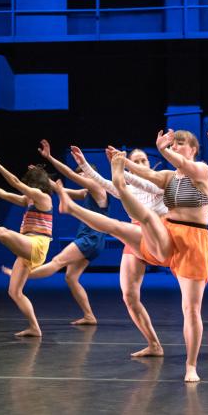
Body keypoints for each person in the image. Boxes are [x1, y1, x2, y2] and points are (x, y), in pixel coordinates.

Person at [53, 130, 208, 382]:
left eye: (182, 144)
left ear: (193, 149)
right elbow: (147, 175)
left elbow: (179, 164)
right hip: (167, 232)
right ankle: (71, 207)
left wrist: (163, 150)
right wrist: (120, 161)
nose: (177, 147)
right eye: (175, 143)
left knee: (191, 309)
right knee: (131, 222)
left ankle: (190, 365)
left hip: (193, 241)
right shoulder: (168, 176)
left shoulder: (202, 170)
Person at [71, 146, 165, 357]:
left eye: (144, 161)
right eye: (136, 161)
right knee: (129, 296)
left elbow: (136, 183)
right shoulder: (127, 189)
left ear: (149, 164)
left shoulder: (159, 182)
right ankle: (154, 345)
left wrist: (123, 168)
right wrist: (84, 164)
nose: (141, 164)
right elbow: (105, 184)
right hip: (137, 239)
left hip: (162, 241)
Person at [29, 139, 109, 326]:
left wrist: (49, 157)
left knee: (57, 261)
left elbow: (69, 177)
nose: (80, 178)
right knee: (71, 277)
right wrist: (40, 175)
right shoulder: (87, 193)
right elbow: (59, 189)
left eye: (83, 175)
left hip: (91, 238)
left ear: (92, 175)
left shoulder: (98, 188)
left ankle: (23, 275)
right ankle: (89, 315)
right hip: (90, 239)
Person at [0, 153, 55, 337]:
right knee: (14, 291)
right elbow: (4, 193)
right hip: (27, 247)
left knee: (2, 232)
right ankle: (34, 328)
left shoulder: (41, 196)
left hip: (36, 244)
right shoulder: (29, 200)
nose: (25, 187)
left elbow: (14, 183)